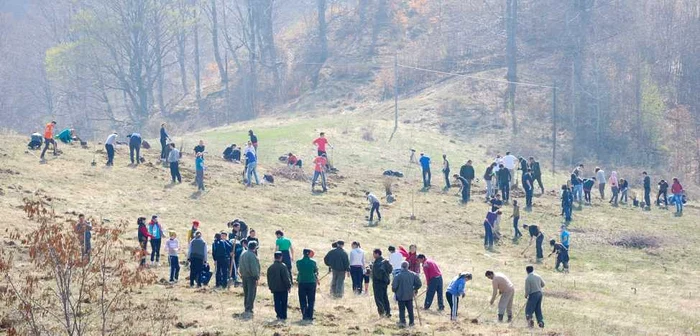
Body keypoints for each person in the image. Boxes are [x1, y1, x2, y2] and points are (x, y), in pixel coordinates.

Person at [392, 261, 422, 327]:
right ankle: (411, 322)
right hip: (409, 295)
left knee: (402, 310)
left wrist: (395, 291)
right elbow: (419, 284)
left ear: (401, 267)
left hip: (401, 296)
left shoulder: (398, 276)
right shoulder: (413, 274)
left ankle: (402, 322)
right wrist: (414, 289)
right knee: (410, 309)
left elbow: (394, 287)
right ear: (408, 267)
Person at [267, 251, 292, 321]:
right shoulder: (283, 266)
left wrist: (270, 286)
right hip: (283, 288)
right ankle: (283, 316)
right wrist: (289, 286)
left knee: (277, 302)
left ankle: (278, 315)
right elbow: (286, 278)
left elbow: (268, 278)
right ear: (281, 257)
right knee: (284, 302)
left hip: (275, 288)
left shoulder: (270, 267)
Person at [297, 248, 319, 322]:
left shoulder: (299, 262)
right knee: (311, 300)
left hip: (302, 282)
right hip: (311, 282)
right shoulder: (313, 262)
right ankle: (310, 315)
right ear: (309, 253)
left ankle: (304, 315)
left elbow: (299, 269)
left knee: (302, 300)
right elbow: (315, 271)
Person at [239, 241, 261, 317]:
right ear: (254, 248)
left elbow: (240, 265)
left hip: (244, 276)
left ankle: (246, 307)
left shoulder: (243, 253)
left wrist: (241, 274)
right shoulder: (252, 255)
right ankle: (249, 308)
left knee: (246, 292)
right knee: (251, 293)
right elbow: (254, 267)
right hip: (251, 277)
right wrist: (256, 276)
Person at [371, 248, 393, 317]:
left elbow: (377, 275)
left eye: (374, 253)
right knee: (385, 297)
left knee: (378, 298)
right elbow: (389, 271)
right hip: (385, 282)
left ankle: (382, 313)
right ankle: (388, 312)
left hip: (378, 283)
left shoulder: (377, 263)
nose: (373, 255)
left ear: (377, 254)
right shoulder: (385, 261)